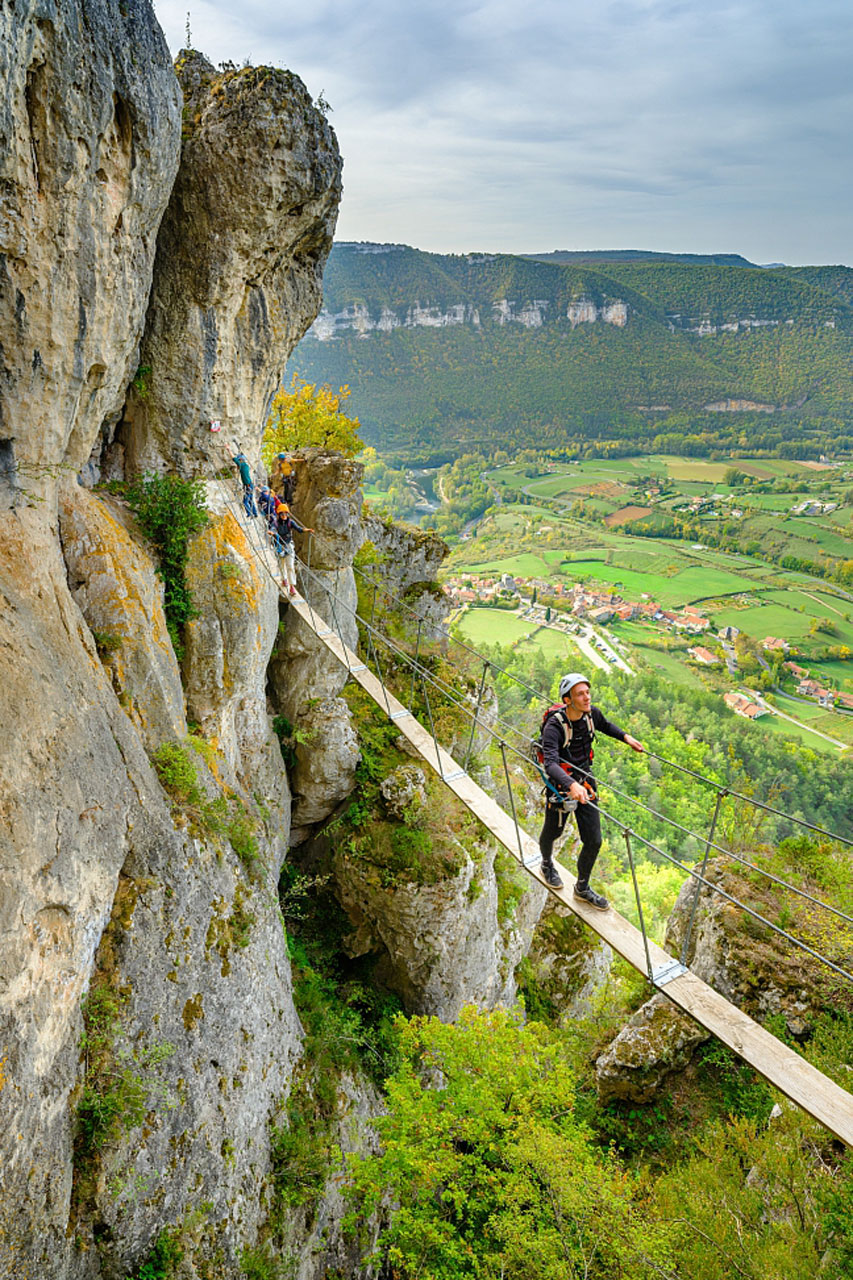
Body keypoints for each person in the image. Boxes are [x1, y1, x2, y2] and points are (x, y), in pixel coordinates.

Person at [539, 672, 644, 908]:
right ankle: (546, 862)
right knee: (553, 832)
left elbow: (605, 726)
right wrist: (571, 785)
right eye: (580, 694)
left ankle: (582, 887)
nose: (587, 698)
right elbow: (550, 763)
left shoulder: (591, 714)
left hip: (585, 781)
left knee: (594, 840)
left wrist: (627, 738)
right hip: (562, 785)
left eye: (587, 692)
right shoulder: (554, 727)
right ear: (568, 700)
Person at [272, 498, 313, 596]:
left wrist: (307, 530)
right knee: (281, 564)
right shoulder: (276, 523)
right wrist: (271, 532)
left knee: (290, 566)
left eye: (286, 514)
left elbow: (298, 529)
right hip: (279, 546)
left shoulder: (290, 522)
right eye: (282, 514)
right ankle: (284, 579)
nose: (284, 516)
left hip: (288, 545)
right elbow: (273, 528)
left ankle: (292, 587)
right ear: (279, 514)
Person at [224, 443, 258, 517]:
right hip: (250, 485)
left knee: (245, 502)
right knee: (250, 500)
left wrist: (228, 449)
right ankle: (255, 513)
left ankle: (249, 513)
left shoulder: (242, 465)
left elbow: (234, 459)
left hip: (248, 486)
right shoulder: (246, 465)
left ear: (240, 460)